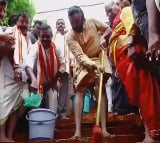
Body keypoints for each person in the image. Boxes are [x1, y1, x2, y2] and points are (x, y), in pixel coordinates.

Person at [105, 0, 160, 142]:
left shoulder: (126, 11)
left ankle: (151, 134)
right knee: (142, 96)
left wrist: (130, 44)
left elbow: (131, 25)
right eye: (107, 11)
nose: (110, 12)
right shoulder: (114, 23)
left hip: (134, 57)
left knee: (145, 94)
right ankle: (149, 134)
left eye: (113, 7)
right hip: (126, 62)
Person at [66, 6, 112, 139]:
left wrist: (104, 37)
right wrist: (91, 65)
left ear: (83, 18)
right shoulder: (69, 36)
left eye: (77, 22)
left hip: (99, 58)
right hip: (83, 63)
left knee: (100, 87)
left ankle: (103, 129)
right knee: (80, 90)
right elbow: (80, 56)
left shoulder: (92, 21)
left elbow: (108, 29)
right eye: (72, 23)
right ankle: (77, 132)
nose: (75, 26)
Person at [0, 1, 30, 142]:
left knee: (16, 108)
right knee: (4, 106)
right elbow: (9, 51)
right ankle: (2, 136)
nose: (24, 24)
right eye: (21, 21)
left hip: (21, 80)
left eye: (26, 22)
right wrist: (16, 67)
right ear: (16, 22)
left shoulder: (27, 38)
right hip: (8, 75)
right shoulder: (10, 32)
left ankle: (10, 136)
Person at [26, 23, 66, 113]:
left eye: (47, 36)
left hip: (51, 83)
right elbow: (28, 66)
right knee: (34, 111)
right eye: (42, 36)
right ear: (38, 36)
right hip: (36, 85)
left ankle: (51, 124)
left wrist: (54, 81)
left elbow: (63, 65)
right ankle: (33, 124)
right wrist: (33, 80)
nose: (45, 39)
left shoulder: (56, 47)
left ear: (51, 36)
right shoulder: (34, 47)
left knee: (53, 102)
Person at [53, 18, 70, 119]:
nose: (60, 25)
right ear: (56, 26)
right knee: (53, 91)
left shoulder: (68, 37)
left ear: (65, 26)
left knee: (64, 91)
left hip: (66, 68)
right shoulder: (52, 37)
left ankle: (62, 113)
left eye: (62, 23)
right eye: (58, 23)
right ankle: (52, 112)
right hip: (54, 68)